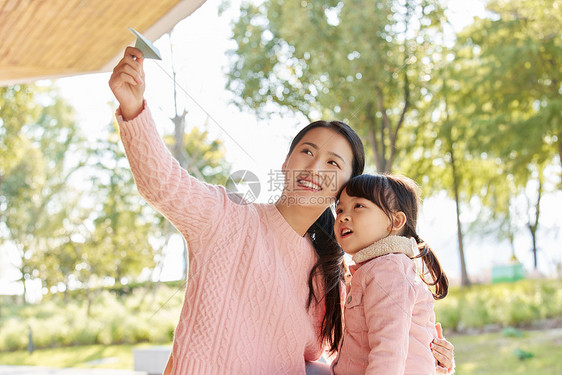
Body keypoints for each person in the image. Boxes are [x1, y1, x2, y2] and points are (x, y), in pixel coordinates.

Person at [108, 47, 454, 374]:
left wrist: (427, 359)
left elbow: (352, 362)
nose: (316, 167)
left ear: (345, 187)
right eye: (307, 151)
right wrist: (133, 109)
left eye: (333, 162)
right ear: (286, 162)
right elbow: (163, 183)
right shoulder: (227, 217)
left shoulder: (331, 275)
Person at [331, 174, 453, 374]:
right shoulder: (373, 269)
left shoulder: (388, 270)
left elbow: (389, 349)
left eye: (359, 206)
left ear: (395, 221)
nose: (343, 216)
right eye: (339, 209)